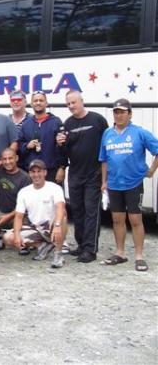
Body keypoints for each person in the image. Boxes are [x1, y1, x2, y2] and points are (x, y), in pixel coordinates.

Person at [99, 98, 158, 272]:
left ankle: (139, 256)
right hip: (114, 184)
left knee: (135, 219)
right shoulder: (108, 134)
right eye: (116, 112)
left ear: (129, 114)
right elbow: (104, 160)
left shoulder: (139, 133)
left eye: (122, 112)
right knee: (117, 219)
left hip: (133, 183)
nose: (118, 115)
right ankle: (120, 253)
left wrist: (151, 171)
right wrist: (104, 181)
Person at [57, 90, 108, 263]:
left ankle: (90, 249)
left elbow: (107, 145)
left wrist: (105, 173)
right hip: (75, 173)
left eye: (74, 102)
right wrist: (60, 144)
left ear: (82, 101)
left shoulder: (97, 120)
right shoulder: (67, 124)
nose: (71, 106)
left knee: (91, 211)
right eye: (68, 104)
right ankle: (80, 245)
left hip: (94, 173)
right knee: (77, 211)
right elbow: (64, 150)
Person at [2, 160, 68, 269]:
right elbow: (19, 216)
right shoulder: (24, 192)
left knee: (63, 217)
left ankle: (58, 254)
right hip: (35, 227)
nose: (36, 175)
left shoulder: (55, 188)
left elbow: (61, 207)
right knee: (8, 237)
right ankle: (42, 246)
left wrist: (57, 225)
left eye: (39, 171)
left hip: (51, 226)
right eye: (33, 172)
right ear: (29, 174)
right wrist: (17, 235)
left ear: (45, 173)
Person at [17, 91, 67, 183]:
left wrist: (62, 168)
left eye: (41, 100)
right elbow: (19, 146)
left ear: (46, 103)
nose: (38, 103)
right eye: (35, 101)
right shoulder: (26, 124)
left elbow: (63, 148)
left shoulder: (56, 122)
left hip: (52, 172)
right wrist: (27, 146)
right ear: (31, 104)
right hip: (32, 172)